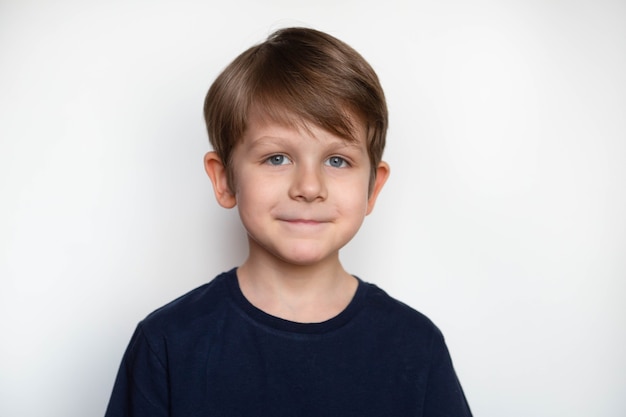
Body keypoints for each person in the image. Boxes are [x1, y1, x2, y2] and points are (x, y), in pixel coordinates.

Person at [104, 27, 472, 417]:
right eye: (277, 158)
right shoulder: (166, 344)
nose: (309, 187)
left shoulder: (416, 347)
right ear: (224, 179)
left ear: (372, 188)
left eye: (337, 160)